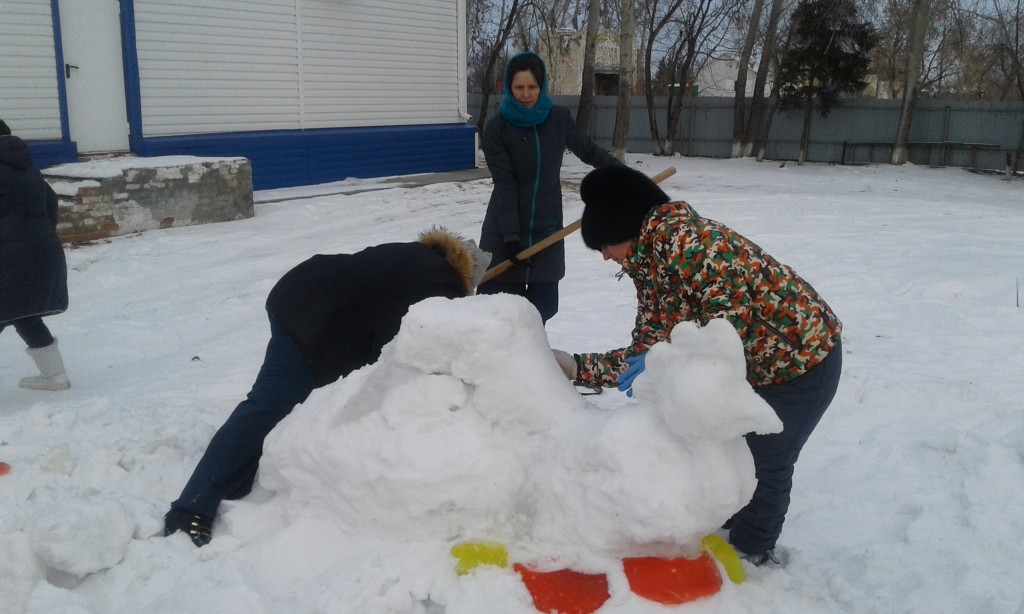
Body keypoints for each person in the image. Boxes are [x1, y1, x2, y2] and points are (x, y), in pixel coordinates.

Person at [552, 166, 843, 566]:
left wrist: (672, 359)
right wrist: (577, 367)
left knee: (766, 461)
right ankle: (729, 519)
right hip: (753, 366)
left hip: (800, 362)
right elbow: (648, 347)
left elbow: (727, 332)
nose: (604, 256)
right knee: (727, 451)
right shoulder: (649, 262)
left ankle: (751, 553)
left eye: (604, 244)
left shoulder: (696, 245)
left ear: (625, 229)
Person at [164, 228, 491, 546]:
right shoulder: (443, 286)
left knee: (286, 402)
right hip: (313, 318)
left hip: (300, 291)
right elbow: (416, 344)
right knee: (270, 404)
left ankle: (240, 470)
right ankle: (191, 509)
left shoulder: (418, 255)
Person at [478, 50, 621, 324]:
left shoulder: (558, 119)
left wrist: (624, 176)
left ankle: (533, 352)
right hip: (504, 231)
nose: (526, 94)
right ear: (509, 87)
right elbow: (505, 183)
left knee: (542, 308)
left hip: (547, 229)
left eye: (532, 87)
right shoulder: (497, 129)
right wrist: (510, 236)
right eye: (519, 87)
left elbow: (589, 151)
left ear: (542, 86)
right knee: (498, 314)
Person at [0, 119, 71, 391]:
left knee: (14, 310)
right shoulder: (27, 168)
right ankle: (55, 376)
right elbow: (50, 205)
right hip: (40, 250)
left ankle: (55, 377)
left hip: (8, 256)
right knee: (22, 313)